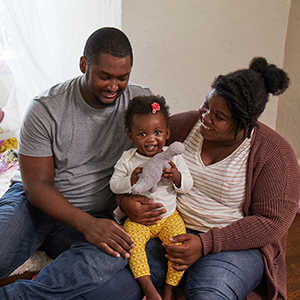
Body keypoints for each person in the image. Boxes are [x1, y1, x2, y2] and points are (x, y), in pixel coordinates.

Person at [116, 57, 300, 300]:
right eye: (206, 105)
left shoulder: (275, 154)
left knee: (208, 294)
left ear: (246, 123)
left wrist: (205, 244)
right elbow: (135, 164)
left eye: (219, 117)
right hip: (167, 229)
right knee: (114, 282)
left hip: (233, 245)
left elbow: (272, 223)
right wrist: (123, 200)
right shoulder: (183, 126)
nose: (205, 117)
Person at [0, 27, 163, 299]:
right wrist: (87, 225)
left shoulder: (140, 104)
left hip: (96, 212)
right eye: (105, 76)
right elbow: (37, 186)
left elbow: (156, 151)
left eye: (122, 77)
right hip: (34, 206)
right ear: (83, 65)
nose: (114, 86)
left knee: (120, 254)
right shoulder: (45, 108)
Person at [110, 95, 193, 300]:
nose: (151, 139)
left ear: (167, 133)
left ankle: (170, 288)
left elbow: (188, 185)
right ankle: (148, 287)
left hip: (168, 217)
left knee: (179, 246)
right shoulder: (128, 159)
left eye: (157, 132)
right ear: (131, 136)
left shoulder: (173, 157)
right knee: (132, 244)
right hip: (139, 221)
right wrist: (130, 180)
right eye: (142, 134)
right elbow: (114, 185)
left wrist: (176, 176)